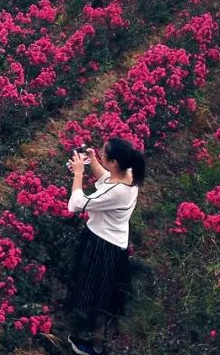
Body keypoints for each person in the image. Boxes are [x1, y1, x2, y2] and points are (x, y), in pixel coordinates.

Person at [65, 138, 144, 355]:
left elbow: (76, 204)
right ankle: (97, 339)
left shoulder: (118, 191)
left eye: (104, 154)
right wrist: (93, 162)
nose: (99, 153)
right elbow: (107, 180)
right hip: (115, 243)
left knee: (98, 296)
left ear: (114, 162)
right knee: (105, 294)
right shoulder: (129, 176)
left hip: (102, 245)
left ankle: (95, 346)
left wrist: (79, 173)